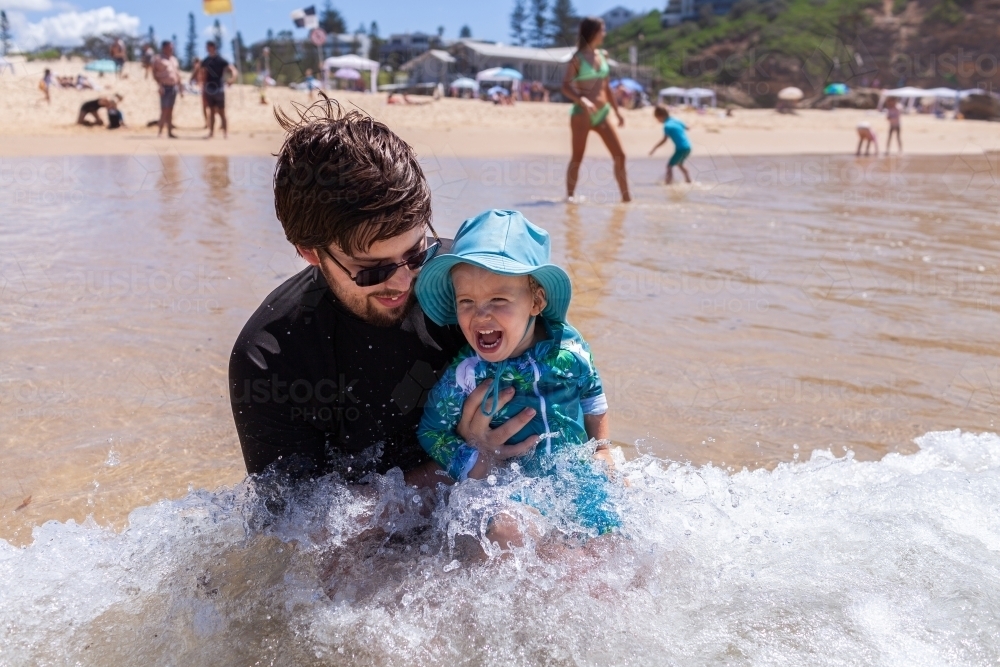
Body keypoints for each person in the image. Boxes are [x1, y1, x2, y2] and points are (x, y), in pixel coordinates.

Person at [230, 98, 538, 489]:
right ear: (309, 252)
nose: (403, 281)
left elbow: (567, 373)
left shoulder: (469, 283)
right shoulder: (272, 357)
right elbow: (297, 531)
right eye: (373, 270)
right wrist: (462, 458)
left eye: (415, 253)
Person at [415, 209, 617, 546]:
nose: (482, 314)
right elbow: (431, 431)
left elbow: (593, 395)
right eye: (467, 301)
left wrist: (604, 449)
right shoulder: (468, 373)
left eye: (498, 299)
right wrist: (472, 463)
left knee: (612, 541)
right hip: (509, 487)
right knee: (511, 529)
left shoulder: (569, 349)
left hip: (573, 479)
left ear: (536, 301)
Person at [561, 17, 630, 203]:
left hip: (603, 113)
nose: (604, 33)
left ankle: (626, 200)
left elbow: (606, 87)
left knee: (620, 156)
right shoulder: (577, 58)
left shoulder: (603, 55)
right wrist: (581, 99)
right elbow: (565, 87)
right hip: (582, 114)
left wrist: (617, 112)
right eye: (602, 30)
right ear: (593, 32)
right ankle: (569, 199)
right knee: (577, 158)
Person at [201, 41, 237, 139]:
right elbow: (201, 72)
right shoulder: (206, 60)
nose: (206, 49)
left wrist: (232, 79)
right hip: (209, 88)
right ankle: (211, 133)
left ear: (213, 47)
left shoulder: (221, 60)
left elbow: (233, 70)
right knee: (211, 111)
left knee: (222, 112)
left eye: (208, 47)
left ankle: (226, 133)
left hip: (219, 88)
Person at [649, 105, 692, 185]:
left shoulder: (667, 126)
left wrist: (654, 148)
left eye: (657, 118)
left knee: (669, 166)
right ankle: (689, 181)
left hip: (680, 148)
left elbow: (664, 140)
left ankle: (668, 183)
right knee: (680, 164)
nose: (657, 120)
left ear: (660, 116)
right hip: (688, 147)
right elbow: (688, 127)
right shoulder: (676, 120)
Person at [152, 41, 182, 138]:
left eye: (172, 47)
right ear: (164, 48)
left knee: (170, 110)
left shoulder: (174, 59)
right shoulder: (158, 59)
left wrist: (180, 86)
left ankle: (170, 132)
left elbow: (177, 74)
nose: (171, 49)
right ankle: (160, 132)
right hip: (164, 86)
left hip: (173, 86)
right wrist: (159, 85)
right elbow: (154, 73)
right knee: (164, 109)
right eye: (169, 47)